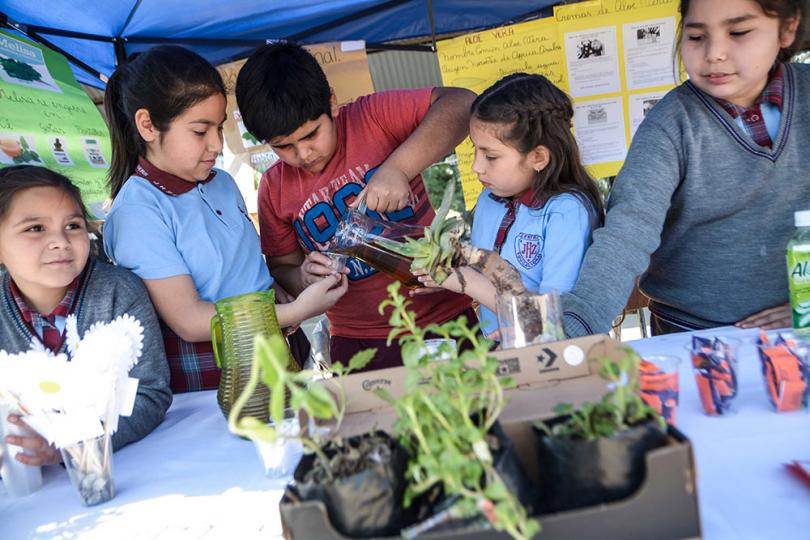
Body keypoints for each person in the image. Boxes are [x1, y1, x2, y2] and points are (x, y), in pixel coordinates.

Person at [102, 45, 347, 393]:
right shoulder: (137, 212)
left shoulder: (223, 184)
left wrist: (282, 290)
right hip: (215, 372)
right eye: (200, 132)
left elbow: (241, 271)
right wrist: (296, 312)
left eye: (220, 128)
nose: (217, 145)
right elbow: (189, 320)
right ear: (147, 125)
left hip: (278, 351)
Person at [562, 0, 808, 336]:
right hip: (691, 336)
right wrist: (571, 330)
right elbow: (626, 235)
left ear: (788, 28)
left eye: (738, 32)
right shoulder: (670, 124)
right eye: (695, 36)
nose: (714, 53)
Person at [235, 41, 476, 369]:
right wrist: (303, 277)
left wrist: (398, 168)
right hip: (358, 339)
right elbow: (282, 268)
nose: (304, 154)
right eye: (283, 147)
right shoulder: (273, 189)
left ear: (331, 102)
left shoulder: (371, 118)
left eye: (311, 135)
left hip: (444, 317)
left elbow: (462, 103)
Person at [0, 165, 171, 465]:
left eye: (73, 226)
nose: (60, 242)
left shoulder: (118, 291)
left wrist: (71, 447)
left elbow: (151, 394)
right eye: (35, 228)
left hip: (127, 466)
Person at [415, 73, 604, 338]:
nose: (476, 167)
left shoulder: (566, 212)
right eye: (475, 150)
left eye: (491, 156)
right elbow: (489, 272)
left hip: (551, 360)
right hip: (501, 353)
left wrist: (462, 279)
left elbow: (551, 322)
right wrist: (445, 269)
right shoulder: (490, 199)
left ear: (538, 157)